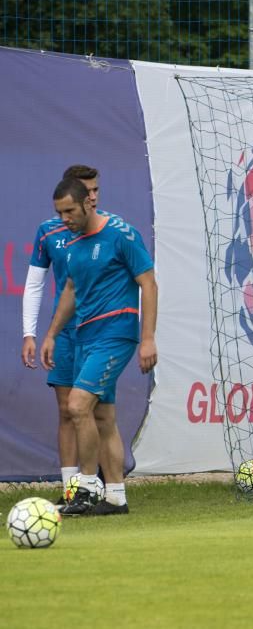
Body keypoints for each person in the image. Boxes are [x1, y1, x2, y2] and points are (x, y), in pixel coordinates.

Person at [41, 177, 158, 514]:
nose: (64, 219)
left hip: (116, 334)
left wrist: (147, 338)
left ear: (88, 203)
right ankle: (116, 497)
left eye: (69, 211)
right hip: (85, 337)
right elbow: (71, 291)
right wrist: (51, 334)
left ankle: (88, 488)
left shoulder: (121, 233)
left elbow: (148, 284)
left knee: (77, 405)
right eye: (59, 213)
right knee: (103, 416)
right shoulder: (73, 244)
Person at [21, 165, 108, 502]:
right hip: (66, 333)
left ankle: (102, 485)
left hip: (101, 331)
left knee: (98, 411)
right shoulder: (49, 232)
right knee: (66, 410)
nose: (93, 197)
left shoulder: (110, 229)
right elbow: (34, 282)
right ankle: (73, 490)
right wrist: (30, 333)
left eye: (96, 191)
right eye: (87, 191)